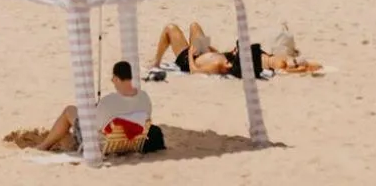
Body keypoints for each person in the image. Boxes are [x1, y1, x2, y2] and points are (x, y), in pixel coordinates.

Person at [40, 60, 152, 153]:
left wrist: (93, 109)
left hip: (102, 146)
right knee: (66, 135)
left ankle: (43, 146)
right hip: (131, 144)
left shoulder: (109, 101)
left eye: (113, 78)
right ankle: (64, 142)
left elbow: (93, 126)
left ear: (117, 79)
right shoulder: (144, 97)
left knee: (69, 111)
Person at [152, 21, 321, 76]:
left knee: (170, 28)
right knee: (194, 25)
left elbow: (195, 71)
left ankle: (156, 62)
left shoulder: (219, 65)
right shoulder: (225, 58)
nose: (234, 50)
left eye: (236, 51)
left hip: (188, 59)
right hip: (205, 52)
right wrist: (211, 49)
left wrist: (189, 54)